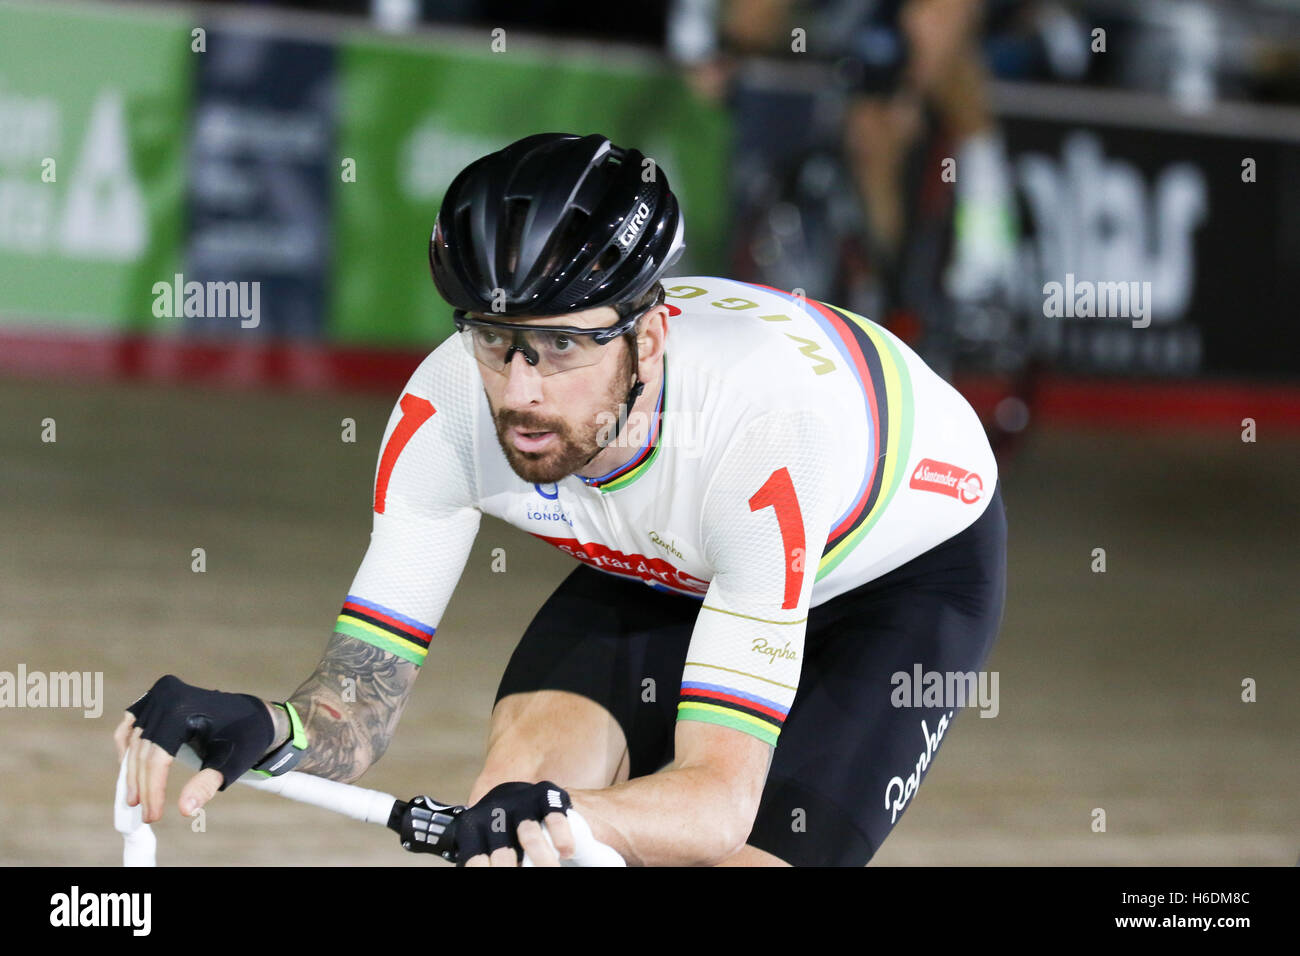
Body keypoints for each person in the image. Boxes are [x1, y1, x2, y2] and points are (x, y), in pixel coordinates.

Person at [115, 132, 1005, 866]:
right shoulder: (448, 408)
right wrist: (270, 727)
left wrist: (574, 816)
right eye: (496, 339)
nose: (520, 392)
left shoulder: (754, 443)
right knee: (517, 819)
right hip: (676, 553)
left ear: (648, 340)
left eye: (560, 349)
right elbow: (359, 705)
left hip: (892, 576)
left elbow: (715, 809)